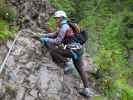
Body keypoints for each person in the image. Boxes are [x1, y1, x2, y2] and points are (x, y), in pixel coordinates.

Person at [40, 10, 92, 97]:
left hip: (73, 50)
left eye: (57, 18)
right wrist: (43, 35)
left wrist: (45, 39)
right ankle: (87, 90)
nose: (55, 20)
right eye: (55, 18)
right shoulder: (65, 25)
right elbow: (54, 34)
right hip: (79, 49)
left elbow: (57, 41)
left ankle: (67, 64)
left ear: (62, 18)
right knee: (80, 69)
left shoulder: (64, 27)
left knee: (53, 51)